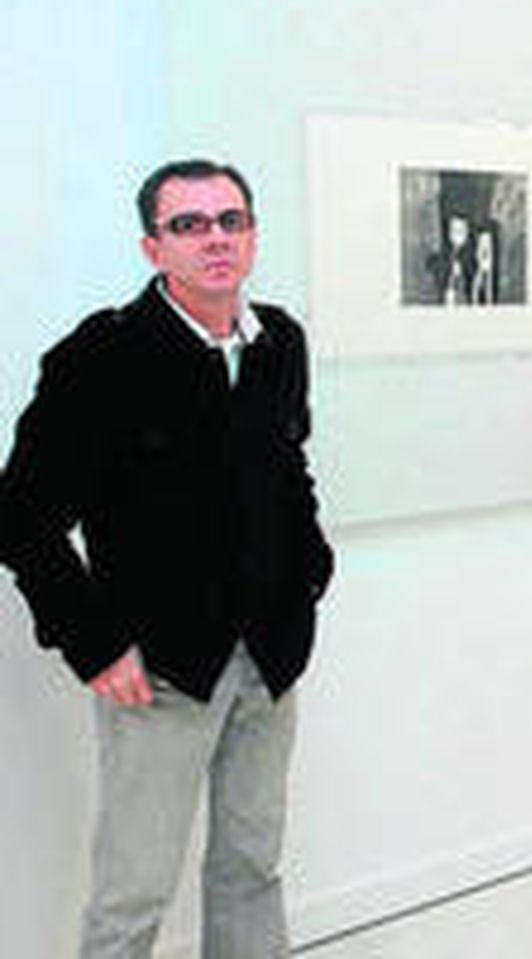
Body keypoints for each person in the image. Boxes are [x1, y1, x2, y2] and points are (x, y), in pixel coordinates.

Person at [0, 159, 335, 958]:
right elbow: (21, 517)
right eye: (188, 224)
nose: (214, 238)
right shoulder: (101, 359)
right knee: (133, 890)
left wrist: (310, 573)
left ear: (251, 236)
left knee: (252, 866)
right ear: (154, 248)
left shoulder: (279, 341)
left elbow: (291, 470)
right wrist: (94, 642)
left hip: (270, 656)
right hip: (160, 672)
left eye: (230, 220)